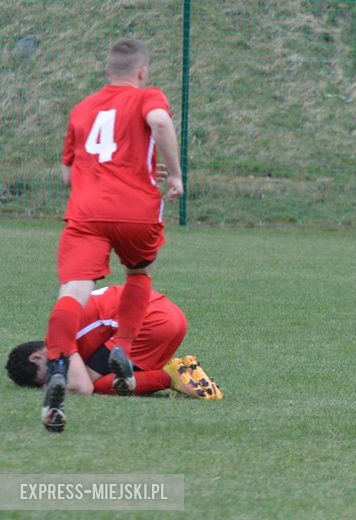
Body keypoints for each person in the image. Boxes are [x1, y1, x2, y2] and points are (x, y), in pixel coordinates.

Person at [41, 38, 184, 432]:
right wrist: (173, 174)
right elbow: (159, 122)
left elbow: (69, 175)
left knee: (72, 292)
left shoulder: (82, 109)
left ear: (107, 71)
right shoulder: (147, 95)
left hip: (86, 212)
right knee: (138, 273)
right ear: (142, 72)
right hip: (136, 210)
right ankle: (122, 345)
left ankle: (55, 366)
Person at [6, 285, 222, 401]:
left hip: (151, 322)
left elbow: (83, 388)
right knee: (110, 372)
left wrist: (49, 387)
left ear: (36, 356)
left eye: (49, 373)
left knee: (98, 384)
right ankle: (176, 369)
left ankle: (170, 375)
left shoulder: (58, 336)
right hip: (170, 315)